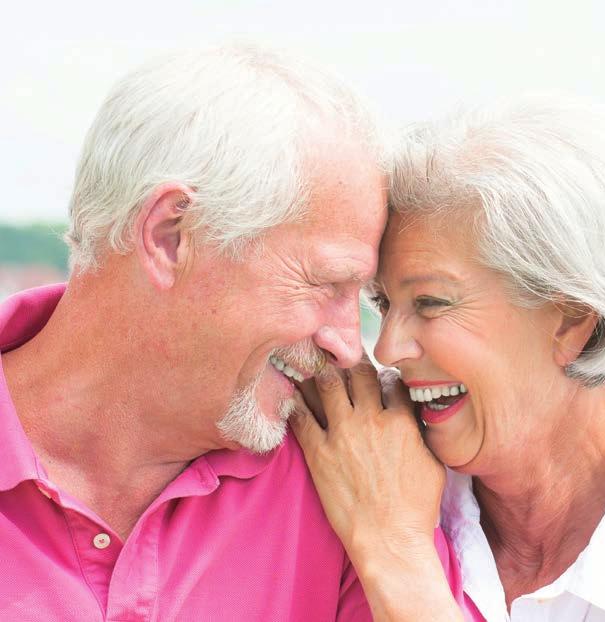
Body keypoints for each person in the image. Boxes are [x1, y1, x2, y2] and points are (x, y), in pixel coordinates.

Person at [0, 43, 405, 621]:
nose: (348, 343)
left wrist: (399, 548)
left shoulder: (354, 486)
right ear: (172, 236)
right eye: (326, 284)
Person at [292, 96, 605, 621]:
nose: (386, 348)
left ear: (573, 319)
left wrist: (396, 554)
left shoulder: (383, 524)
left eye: (431, 302)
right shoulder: (342, 471)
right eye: (383, 303)